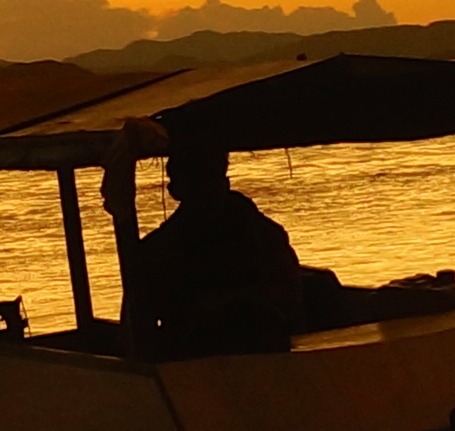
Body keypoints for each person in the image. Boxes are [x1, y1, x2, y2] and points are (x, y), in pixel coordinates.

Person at [122, 144, 345, 357]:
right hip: (193, 363)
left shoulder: (264, 236)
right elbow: (139, 330)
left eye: (208, 178)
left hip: (268, 353)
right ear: (175, 189)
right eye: (196, 182)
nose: (205, 194)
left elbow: (290, 304)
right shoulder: (157, 251)